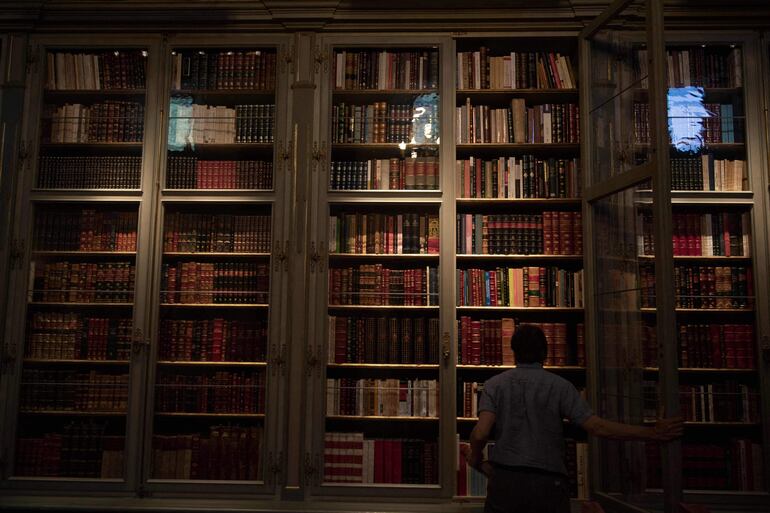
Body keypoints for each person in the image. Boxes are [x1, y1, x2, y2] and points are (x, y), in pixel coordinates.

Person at [462, 324, 684, 513]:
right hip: (549, 484)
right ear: (545, 352)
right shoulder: (561, 387)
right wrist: (653, 433)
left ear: (513, 351)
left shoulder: (494, 385)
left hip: (505, 482)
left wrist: (475, 457)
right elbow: (597, 427)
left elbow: (481, 433)